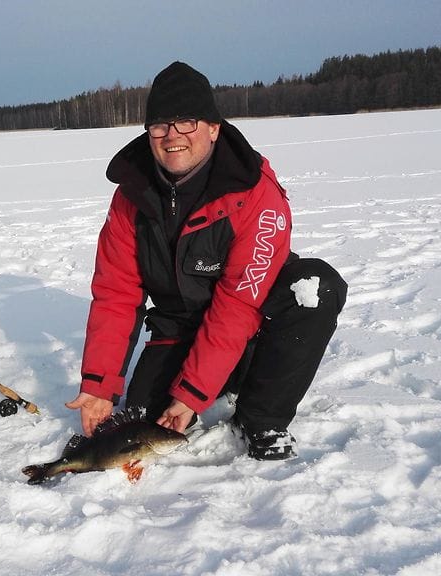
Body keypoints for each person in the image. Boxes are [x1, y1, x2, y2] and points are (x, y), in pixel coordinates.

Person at [66, 61, 347, 460]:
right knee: (147, 416)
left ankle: (262, 417)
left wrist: (192, 394)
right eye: (160, 125)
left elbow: (238, 303)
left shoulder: (253, 192)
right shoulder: (131, 196)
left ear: (213, 128)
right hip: (179, 324)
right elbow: (116, 293)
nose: (172, 136)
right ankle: (221, 379)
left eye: (186, 122)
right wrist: (98, 383)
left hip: (252, 320)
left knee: (315, 288)